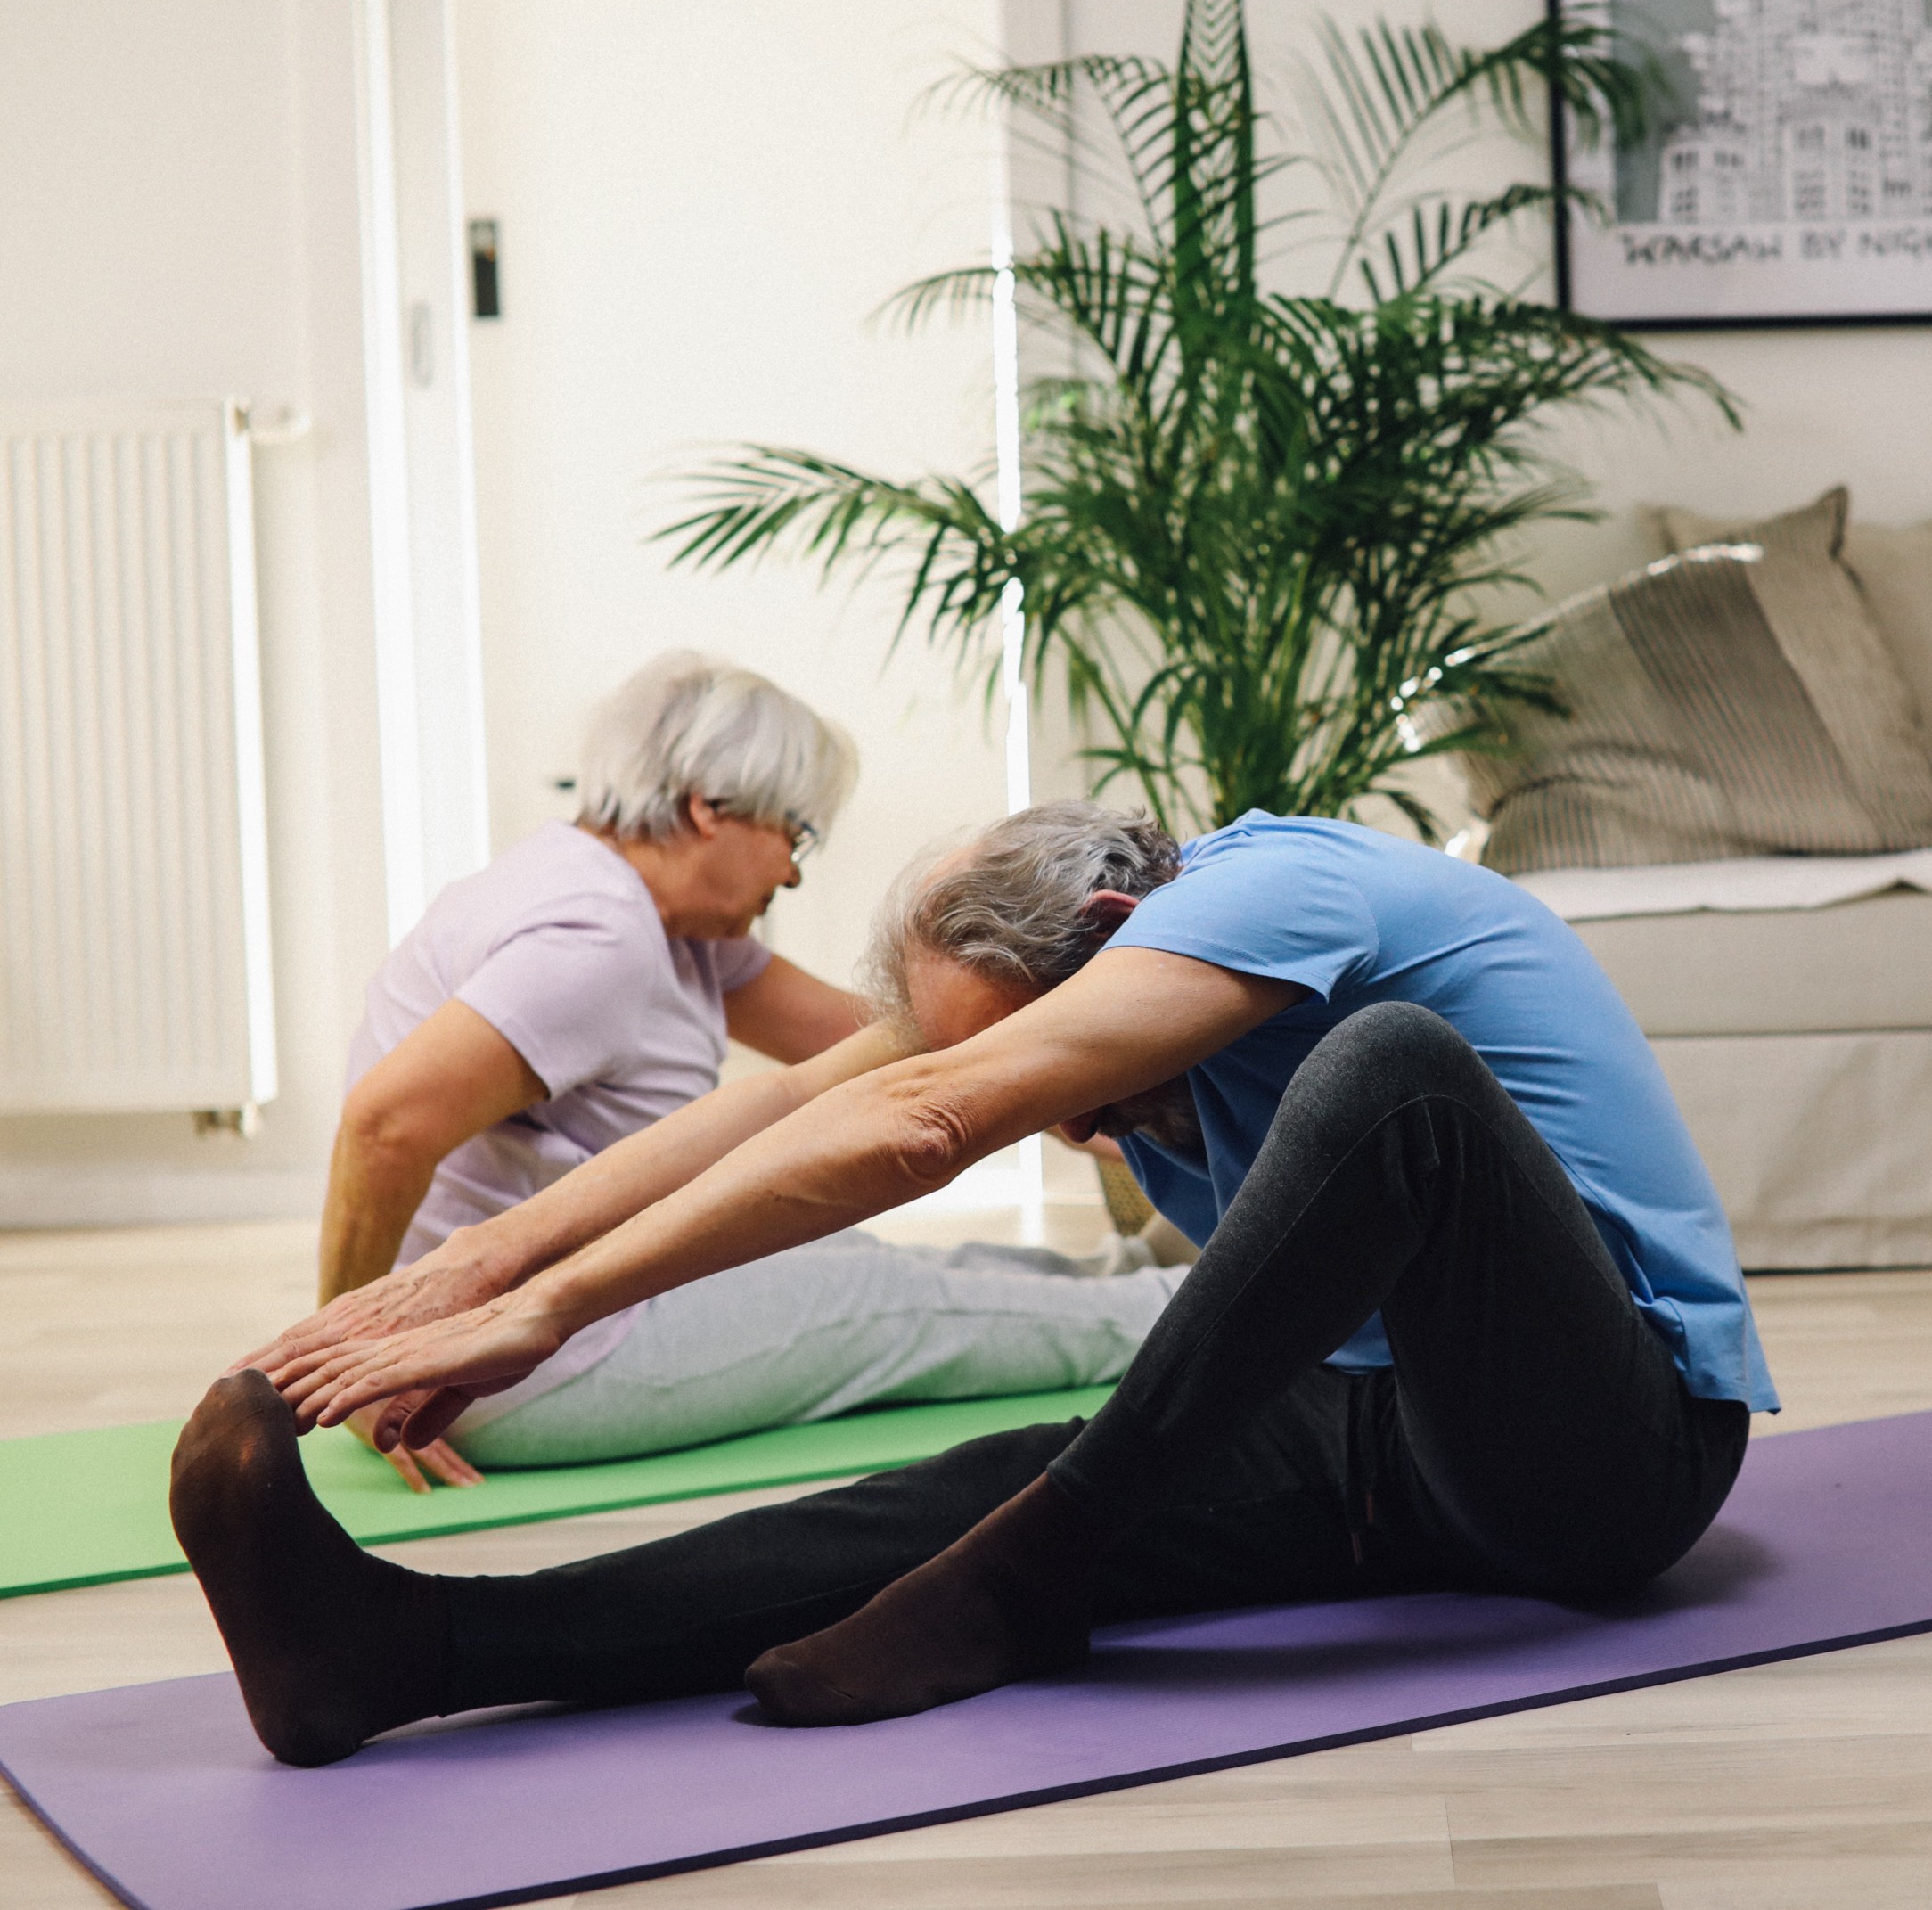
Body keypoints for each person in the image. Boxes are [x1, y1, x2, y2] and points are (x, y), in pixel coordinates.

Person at [172, 802, 1773, 1768]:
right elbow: (781, 1105)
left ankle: (1028, 1580)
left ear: (1117, 928)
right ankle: (404, 1653)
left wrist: (557, 1316)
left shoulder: (1275, 892)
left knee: (1396, 1075)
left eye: (1041, 1060)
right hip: (1387, 1442)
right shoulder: (1102, 955)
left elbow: (929, 1119)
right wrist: (484, 1262)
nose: (1057, 1117)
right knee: (945, 1494)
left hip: (1611, 1460)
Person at [324, 652, 1183, 1493]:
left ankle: (1139, 1263)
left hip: (578, 1304)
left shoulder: (652, 916)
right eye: (792, 833)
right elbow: (385, 1124)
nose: (794, 871)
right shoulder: (593, 938)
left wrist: (1090, 1087)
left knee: (864, 1256)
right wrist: (358, 1360)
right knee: (886, 1302)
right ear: (709, 809)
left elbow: (897, 1041)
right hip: (520, 1366)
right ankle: (1208, 1305)